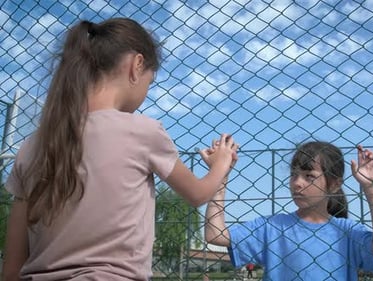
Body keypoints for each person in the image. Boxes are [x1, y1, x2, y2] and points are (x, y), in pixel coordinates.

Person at [2, 18, 238, 281]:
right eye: (150, 82)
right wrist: (221, 163)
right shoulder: (143, 131)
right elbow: (198, 194)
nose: (146, 91)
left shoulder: (31, 146)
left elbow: (12, 268)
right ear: (136, 66)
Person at [204, 141, 373, 280]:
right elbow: (215, 235)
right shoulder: (272, 227)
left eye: (309, 176)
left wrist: (371, 188)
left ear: (334, 184)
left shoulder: (347, 231)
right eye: (293, 175)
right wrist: (219, 178)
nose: (297, 183)